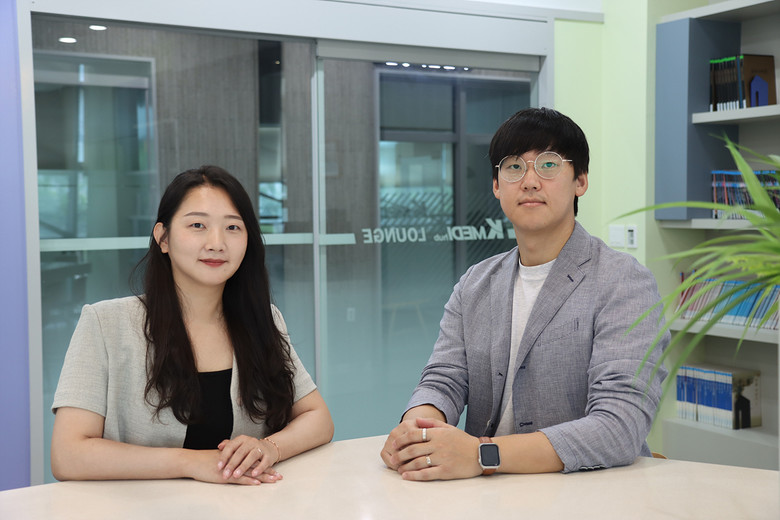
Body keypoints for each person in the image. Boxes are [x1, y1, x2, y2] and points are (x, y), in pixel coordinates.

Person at [380, 107, 669, 480]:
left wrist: (482, 455)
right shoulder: (475, 283)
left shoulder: (624, 282)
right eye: (514, 166)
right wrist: (418, 431)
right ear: (497, 186)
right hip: (485, 493)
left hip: (584, 491)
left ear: (580, 181)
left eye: (548, 165)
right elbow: (444, 379)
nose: (530, 181)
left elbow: (619, 426)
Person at [51, 165, 333, 485]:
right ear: (163, 237)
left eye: (233, 227)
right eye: (198, 225)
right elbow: (67, 454)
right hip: (137, 505)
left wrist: (269, 447)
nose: (216, 243)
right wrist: (192, 462)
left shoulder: (262, 319)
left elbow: (318, 418)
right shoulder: (105, 324)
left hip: (245, 504)